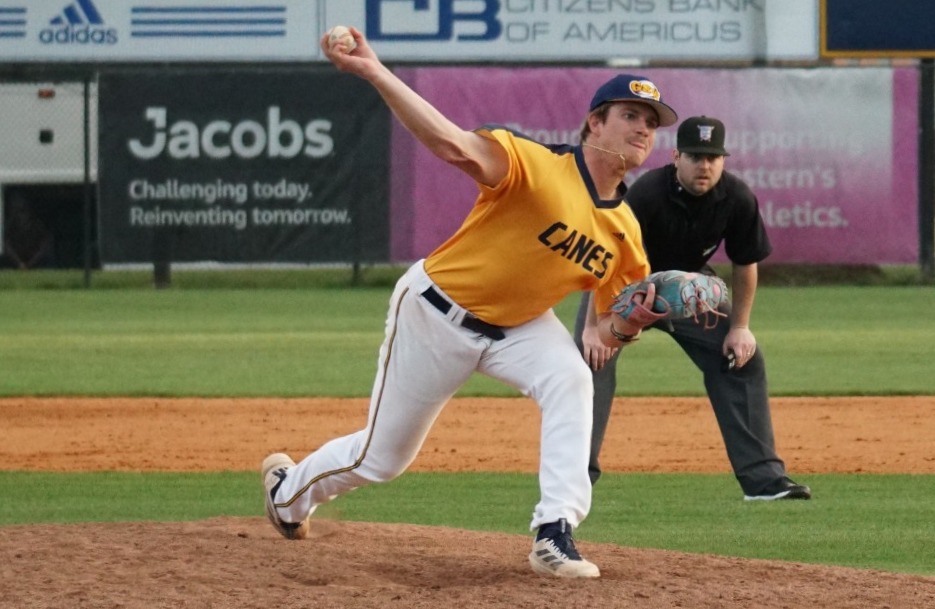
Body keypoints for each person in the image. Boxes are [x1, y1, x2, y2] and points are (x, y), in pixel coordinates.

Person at [261, 26, 678, 579]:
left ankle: (555, 531)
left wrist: (631, 325)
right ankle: (288, 494)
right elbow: (451, 145)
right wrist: (374, 70)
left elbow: (602, 333)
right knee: (382, 459)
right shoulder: (534, 165)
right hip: (437, 311)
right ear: (594, 123)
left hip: (522, 327)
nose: (642, 129)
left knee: (573, 379)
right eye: (630, 115)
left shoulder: (625, 233)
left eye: (651, 123)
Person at [574, 116, 811, 501]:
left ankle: (764, 481)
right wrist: (592, 327)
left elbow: (745, 263)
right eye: (696, 157)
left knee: (742, 360)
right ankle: (576, 477)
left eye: (713, 157)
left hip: (688, 292)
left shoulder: (736, 197)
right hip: (628, 287)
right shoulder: (647, 194)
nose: (705, 166)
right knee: (589, 364)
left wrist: (740, 327)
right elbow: (608, 257)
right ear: (676, 157)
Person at [1, 193, 55, 270]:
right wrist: (19, 263)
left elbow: (46, 243)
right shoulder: (8, 227)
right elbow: (5, 245)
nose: (19, 215)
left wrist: (30, 264)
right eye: (14, 210)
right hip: (13, 264)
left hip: (37, 264)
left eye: (22, 210)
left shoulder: (37, 225)